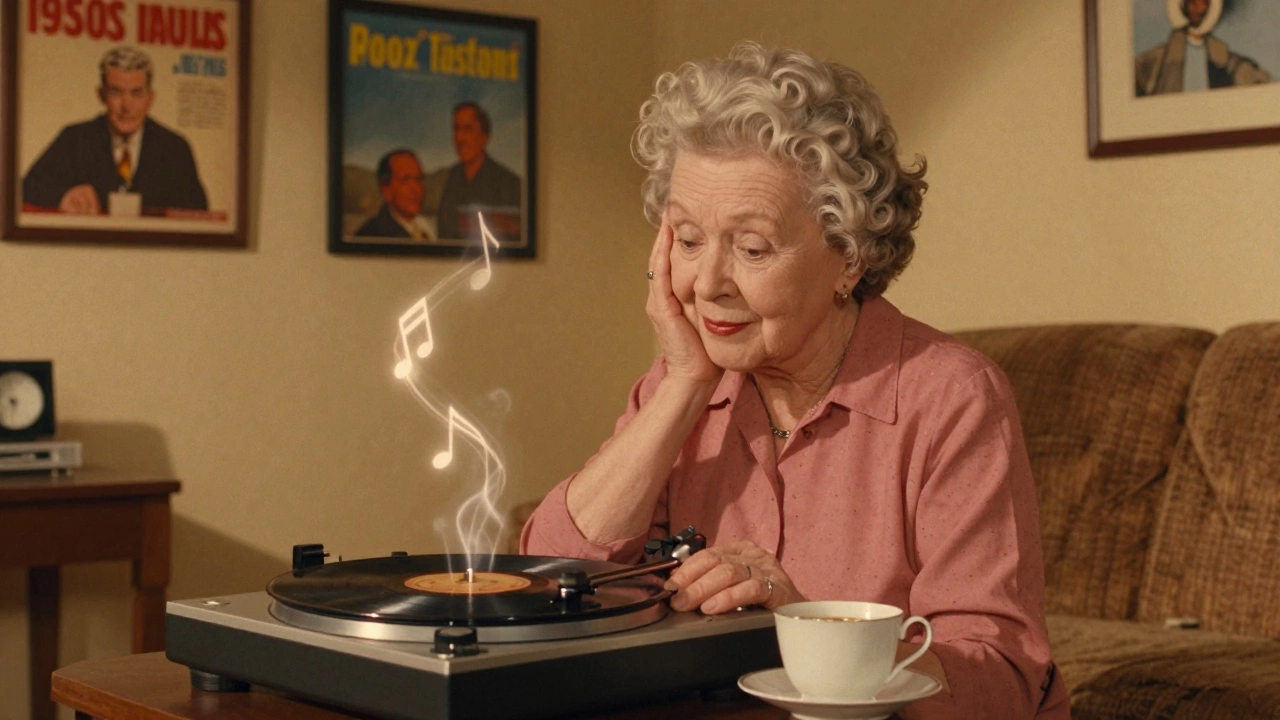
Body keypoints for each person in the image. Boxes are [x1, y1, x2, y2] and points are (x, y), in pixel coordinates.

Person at [520, 43, 1069, 719]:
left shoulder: (951, 398)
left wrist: (804, 623)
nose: (709, 283)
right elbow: (546, 582)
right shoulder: (682, 383)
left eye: (752, 248)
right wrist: (684, 386)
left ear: (849, 256)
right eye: (688, 240)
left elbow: (997, 685)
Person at [22, 46, 208, 214]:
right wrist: (62, 196)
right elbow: (25, 188)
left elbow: (199, 211)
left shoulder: (175, 148)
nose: (126, 106)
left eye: (137, 93)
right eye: (116, 92)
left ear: (150, 99)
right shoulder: (74, 139)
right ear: (101, 95)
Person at [1135, 0, 1271, 96]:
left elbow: (1243, 72)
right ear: (1184, 6)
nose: (1198, 9)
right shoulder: (1162, 55)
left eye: (1204, 3)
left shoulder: (1220, 53)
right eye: (1193, 3)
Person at [436, 101, 521, 241]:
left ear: (484, 136)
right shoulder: (452, 176)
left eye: (468, 129)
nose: (460, 138)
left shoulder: (509, 183)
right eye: (457, 129)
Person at [355, 149, 432, 240]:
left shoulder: (426, 227)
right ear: (386, 190)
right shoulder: (370, 235)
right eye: (405, 180)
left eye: (418, 179)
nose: (416, 189)